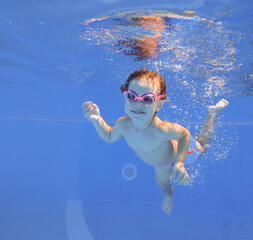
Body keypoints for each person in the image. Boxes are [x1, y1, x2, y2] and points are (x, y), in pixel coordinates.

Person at [82, 69, 229, 215]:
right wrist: (96, 120)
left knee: (202, 147)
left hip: (179, 153)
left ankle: (213, 113)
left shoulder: (161, 129)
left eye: (147, 99)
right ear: (125, 97)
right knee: (162, 184)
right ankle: (169, 196)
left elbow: (185, 134)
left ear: (158, 104)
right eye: (132, 96)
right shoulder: (123, 124)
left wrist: (180, 162)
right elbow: (109, 136)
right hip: (161, 162)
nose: (138, 104)